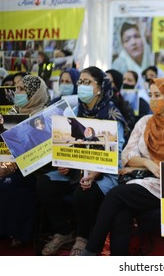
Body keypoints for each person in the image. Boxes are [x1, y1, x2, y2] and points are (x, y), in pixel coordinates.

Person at [81, 77, 164, 256]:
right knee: (122, 212)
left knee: (116, 195)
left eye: (158, 95)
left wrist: (142, 167)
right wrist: (148, 164)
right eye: (150, 94)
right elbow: (126, 156)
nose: (152, 100)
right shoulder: (145, 122)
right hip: (142, 183)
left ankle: (90, 250)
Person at [36, 66, 129, 256]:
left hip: (103, 174)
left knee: (82, 193)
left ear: (100, 87)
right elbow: (65, 144)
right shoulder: (73, 111)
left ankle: (83, 237)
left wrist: (95, 173)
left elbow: (115, 154)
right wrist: (63, 162)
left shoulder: (112, 116)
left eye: (88, 83)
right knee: (44, 183)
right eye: (81, 82)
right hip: (73, 172)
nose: (82, 87)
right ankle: (63, 231)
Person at [0, 75, 50, 247]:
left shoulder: (44, 117)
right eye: (16, 88)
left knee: (10, 184)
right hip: (7, 164)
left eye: (21, 89)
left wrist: (7, 168)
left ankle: (18, 232)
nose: (16, 92)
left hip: (34, 170)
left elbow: (39, 154)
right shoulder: (12, 114)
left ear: (34, 93)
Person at [112, 21, 151, 87]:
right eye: (127, 40)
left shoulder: (151, 58)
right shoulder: (118, 65)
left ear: (143, 38)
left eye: (136, 36)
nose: (133, 42)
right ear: (122, 45)